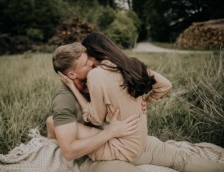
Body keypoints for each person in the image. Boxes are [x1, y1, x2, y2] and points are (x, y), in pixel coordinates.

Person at [47, 32, 224, 172]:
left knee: (181, 158)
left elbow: (98, 118)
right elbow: (69, 150)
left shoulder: (102, 76)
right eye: (87, 63)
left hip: (127, 142)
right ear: (71, 75)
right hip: (101, 153)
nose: (93, 65)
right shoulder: (65, 99)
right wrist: (111, 132)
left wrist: (145, 101)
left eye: (90, 59)